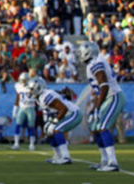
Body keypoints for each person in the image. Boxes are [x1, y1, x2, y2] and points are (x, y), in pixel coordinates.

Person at [78, 41, 126, 172]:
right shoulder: (92, 64)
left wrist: (98, 107)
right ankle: (105, 160)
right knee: (96, 127)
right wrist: (95, 107)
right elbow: (99, 88)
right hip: (106, 98)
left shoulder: (95, 62)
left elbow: (104, 85)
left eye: (82, 51)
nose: (80, 54)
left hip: (113, 96)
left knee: (103, 126)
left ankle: (112, 162)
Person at [28, 77, 82, 165]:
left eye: (32, 89)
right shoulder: (40, 98)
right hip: (64, 114)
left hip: (73, 113)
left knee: (56, 130)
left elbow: (63, 109)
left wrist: (55, 121)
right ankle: (57, 156)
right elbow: (54, 111)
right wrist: (50, 122)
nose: (31, 91)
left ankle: (65, 157)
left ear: (38, 87)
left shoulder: (46, 96)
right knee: (48, 131)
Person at [12, 72, 36, 150]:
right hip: (22, 108)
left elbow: (36, 95)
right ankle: (16, 143)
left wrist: (32, 100)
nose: (24, 82)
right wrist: (15, 109)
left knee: (31, 126)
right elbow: (17, 97)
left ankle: (32, 144)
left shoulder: (32, 85)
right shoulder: (18, 86)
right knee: (18, 125)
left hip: (30, 107)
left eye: (25, 80)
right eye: (22, 80)